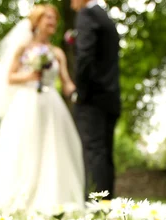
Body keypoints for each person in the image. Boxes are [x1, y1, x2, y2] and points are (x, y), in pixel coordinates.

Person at [0, 5, 85, 214]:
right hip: (26, 102)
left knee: (52, 147)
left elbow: (66, 81)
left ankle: (51, 196)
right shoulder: (23, 49)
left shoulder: (57, 52)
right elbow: (10, 77)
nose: (53, 22)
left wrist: (78, 92)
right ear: (37, 22)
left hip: (51, 103)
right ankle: (19, 194)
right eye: (48, 18)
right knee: (23, 146)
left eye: (55, 19)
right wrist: (29, 76)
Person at [71, 0, 121, 200]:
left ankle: (96, 207)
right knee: (105, 154)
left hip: (92, 98)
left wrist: (80, 93)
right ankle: (107, 204)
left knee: (93, 153)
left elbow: (84, 57)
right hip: (112, 97)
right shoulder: (106, 18)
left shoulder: (87, 15)